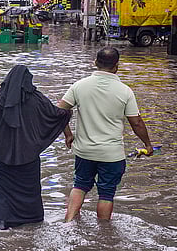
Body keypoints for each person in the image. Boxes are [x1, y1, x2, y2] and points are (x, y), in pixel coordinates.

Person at [57, 47, 152, 222]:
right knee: (106, 193)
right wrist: (147, 145)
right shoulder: (125, 91)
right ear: (116, 66)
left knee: (79, 186)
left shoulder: (79, 86)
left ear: (95, 63)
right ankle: (104, 234)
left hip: (84, 151)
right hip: (112, 154)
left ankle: (68, 222)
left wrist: (68, 134)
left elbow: (58, 111)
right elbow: (136, 123)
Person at [0, 65, 71, 230]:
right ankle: (32, 223)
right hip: (28, 156)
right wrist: (68, 127)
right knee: (29, 192)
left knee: (2, 192)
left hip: (1, 156)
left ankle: (2, 223)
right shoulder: (37, 99)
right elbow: (55, 115)